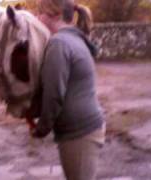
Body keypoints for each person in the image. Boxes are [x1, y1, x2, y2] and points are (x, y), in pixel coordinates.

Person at [29, 0, 106, 180]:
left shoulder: (59, 43)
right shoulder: (74, 38)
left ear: (55, 14)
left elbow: (54, 94)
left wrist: (42, 128)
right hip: (86, 129)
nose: (37, 18)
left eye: (40, 13)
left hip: (79, 134)